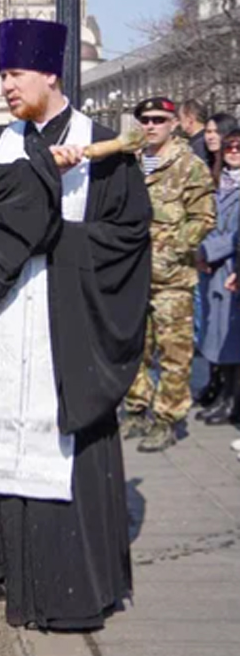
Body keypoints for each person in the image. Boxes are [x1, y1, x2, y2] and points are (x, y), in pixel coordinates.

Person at [0, 18, 151, 632]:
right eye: (4, 74)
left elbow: (128, 234)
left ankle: (73, 590)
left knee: (67, 438)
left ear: (50, 75)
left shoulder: (105, 146)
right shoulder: (1, 143)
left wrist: (56, 235)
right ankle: (6, 566)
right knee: (8, 433)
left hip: (73, 318)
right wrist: (38, 172)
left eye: (16, 74)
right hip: (14, 314)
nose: (7, 85)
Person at [120, 97, 215, 452]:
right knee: (136, 347)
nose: (150, 125)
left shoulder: (189, 165)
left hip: (172, 279)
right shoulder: (132, 163)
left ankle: (167, 418)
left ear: (174, 124)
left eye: (158, 119)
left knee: (173, 353)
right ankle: (136, 407)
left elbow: (204, 217)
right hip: (134, 273)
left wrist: (173, 251)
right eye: (144, 119)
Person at [195, 129, 240, 424]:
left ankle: (232, 401)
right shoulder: (217, 183)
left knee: (231, 340)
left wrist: (206, 250)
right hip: (214, 269)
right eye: (229, 147)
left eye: (239, 147)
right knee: (216, 335)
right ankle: (222, 392)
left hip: (231, 266)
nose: (233, 152)